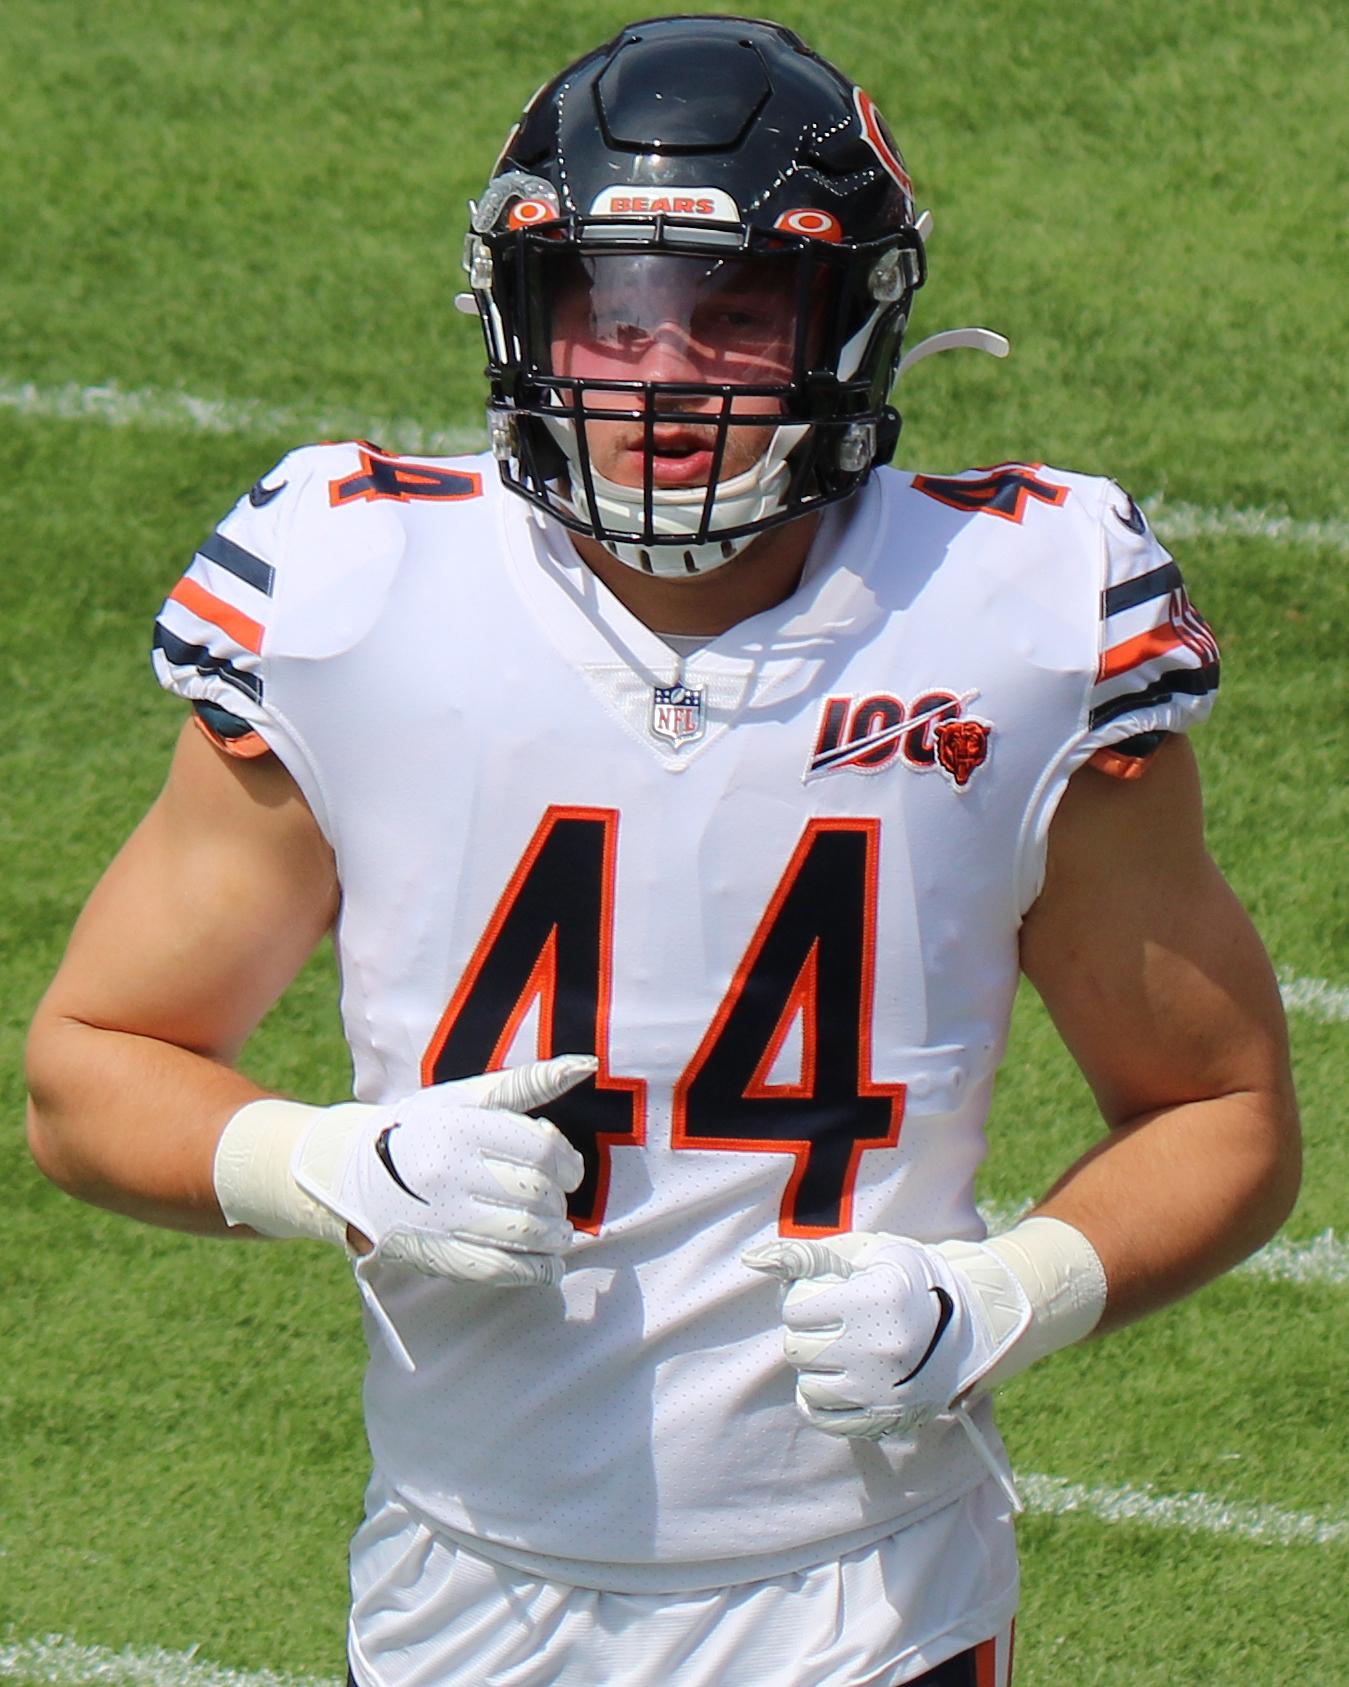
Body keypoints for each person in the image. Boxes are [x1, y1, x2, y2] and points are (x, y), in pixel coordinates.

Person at [27, 16, 1298, 1687]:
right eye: (607, 317)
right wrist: (332, 1168)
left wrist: (1006, 1296)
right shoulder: (348, 595)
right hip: (458, 1595)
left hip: (869, 1600)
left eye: (737, 313)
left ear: (850, 322)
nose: (666, 378)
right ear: (518, 318)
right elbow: (89, 1069)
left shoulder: (1019, 617)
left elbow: (1217, 1111)